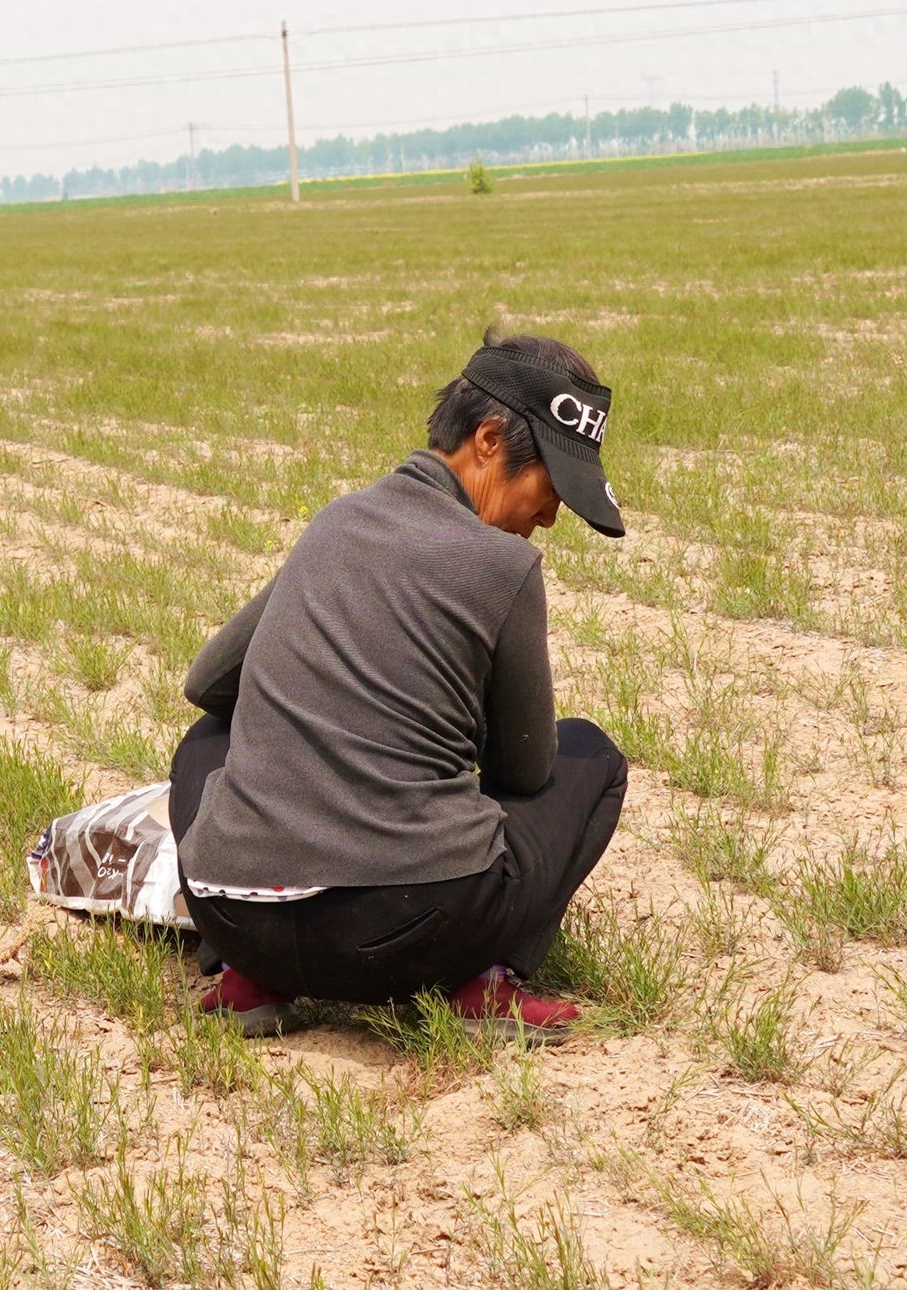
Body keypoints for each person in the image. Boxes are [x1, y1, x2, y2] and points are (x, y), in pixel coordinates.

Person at [170, 331, 634, 1039]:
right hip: (409, 933)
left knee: (208, 738)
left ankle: (250, 977)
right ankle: (484, 982)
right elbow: (526, 769)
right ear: (486, 440)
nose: (549, 516)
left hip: (238, 917)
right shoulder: (503, 565)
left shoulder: (334, 523)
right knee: (590, 754)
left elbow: (208, 681)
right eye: (550, 486)